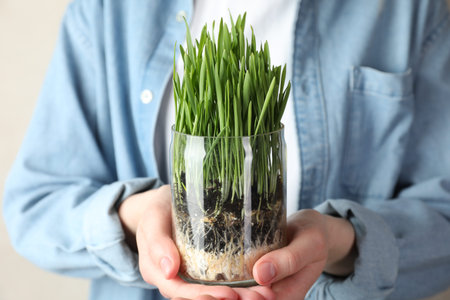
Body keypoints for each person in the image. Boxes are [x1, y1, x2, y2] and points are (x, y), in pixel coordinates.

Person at [3, 0, 450, 299]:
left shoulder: (408, 9)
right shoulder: (111, 10)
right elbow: (36, 205)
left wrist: (343, 243)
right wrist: (134, 218)